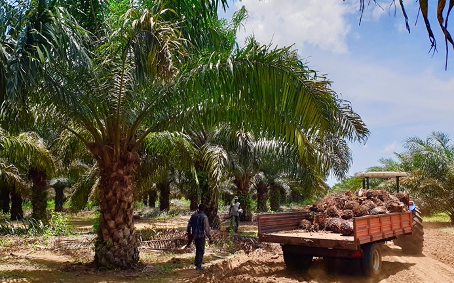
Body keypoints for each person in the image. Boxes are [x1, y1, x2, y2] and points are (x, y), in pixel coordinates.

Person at [187, 204, 212, 270]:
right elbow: (206, 229)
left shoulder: (193, 215)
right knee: (201, 250)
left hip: (194, 235)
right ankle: (198, 266)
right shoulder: (204, 217)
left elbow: (189, 225)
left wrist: (189, 234)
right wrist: (210, 237)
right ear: (204, 210)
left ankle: (197, 262)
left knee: (197, 248)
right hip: (201, 236)